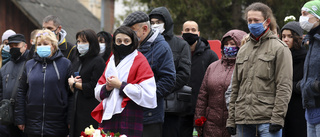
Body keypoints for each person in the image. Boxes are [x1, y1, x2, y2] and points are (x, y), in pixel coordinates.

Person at [226, 2, 293, 137]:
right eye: (249, 20)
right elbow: (235, 87)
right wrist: (231, 119)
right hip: (242, 119)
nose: (252, 23)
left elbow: (284, 86)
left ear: (267, 22)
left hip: (267, 120)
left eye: (256, 20)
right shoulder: (243, 49)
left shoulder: (280, 48)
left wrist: (278, 118)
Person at [92, 26, 157, 137]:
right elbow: (98, 89)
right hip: (109, 115)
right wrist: (107, 88)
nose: (122, 44)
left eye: (126, 41)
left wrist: (120, 85)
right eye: (119, 41)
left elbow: (148, 92)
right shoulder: (112, 61)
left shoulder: (140, 60)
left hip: (130, 114)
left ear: (133, 42)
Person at [122, 11, 176, 137]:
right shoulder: (132, 47)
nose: (129, 34)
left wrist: (144, 96)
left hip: (149, 116)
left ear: (145, 29)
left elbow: (168, 80)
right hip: (128, 112)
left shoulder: (161, 48)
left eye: (132, 30)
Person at [15, 29, 73, 137]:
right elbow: (21, 91)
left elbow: (71, 94)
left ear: (53, 45)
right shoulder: (29, 65)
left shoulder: (65, 64)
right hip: (33, 122)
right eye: (39, 44)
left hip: (57, 123)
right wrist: (20, 118)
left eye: (46, 44)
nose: (42, 46)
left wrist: (70, 119)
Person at [194, 29, 246, 137]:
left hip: (235, 127)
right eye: (226, 44)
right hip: (211, 126)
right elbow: (202, 97)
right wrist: (198, 122)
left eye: (232, 44)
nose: (228, 47)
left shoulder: (245, 67)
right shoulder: (212, 67)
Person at [149, 7, 191, 137]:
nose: (155, 25)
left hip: (170, 107)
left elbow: (184, 74)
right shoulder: (146, 43)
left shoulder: (181, 44)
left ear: (166, 22)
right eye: (152, 22)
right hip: (149, 103)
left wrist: (162, 89)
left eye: (158, 22)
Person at [180, 20, 219, 137]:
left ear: (198, 33)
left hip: (202, 109)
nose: (190, 33)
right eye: (187, 30)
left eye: (193, 30)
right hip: (180, 110)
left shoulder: (210, 55)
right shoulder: (176, 53)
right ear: (182, 33)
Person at [68, 29, 105, 137]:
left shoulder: (98, 61)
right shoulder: (77, 60)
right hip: (76, 110)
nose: (80, 45)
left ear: (92, 43)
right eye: (78, 41)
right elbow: (71, 87)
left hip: (90, 111)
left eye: (84, 42)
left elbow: (94, 88)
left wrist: (75, 84)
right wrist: (72, 85)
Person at [280, 21, 307, 137]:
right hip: (282, 108)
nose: (286, 39)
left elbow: (305, 84)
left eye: (290, 36)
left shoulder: (304, 57)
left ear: (297, 38)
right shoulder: (279, 58)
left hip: (299, 108)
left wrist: (288, 85)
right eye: (283, 36)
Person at [0, 34, 29, 137]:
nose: (13, 48)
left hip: (27, 118)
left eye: (16, 45)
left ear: (25, 46)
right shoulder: (5, 67)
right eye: (11, 46)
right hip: (8, 118)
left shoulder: (31, 64)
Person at [298, 1, 320, 136]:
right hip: (311, 106)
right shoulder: (311, 40)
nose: (302, 18)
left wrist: (315, 86)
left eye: (306, 14)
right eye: (301, 14)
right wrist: (302, 85)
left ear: (317, 16)